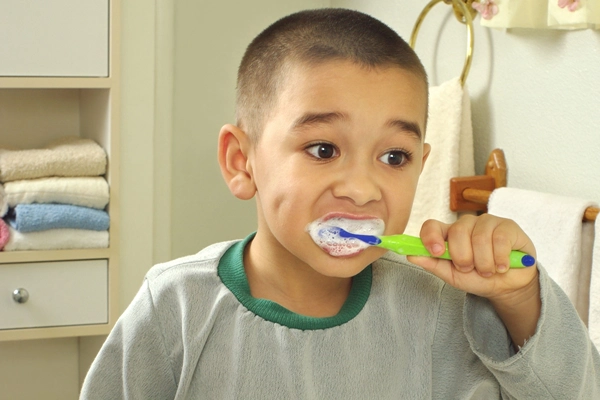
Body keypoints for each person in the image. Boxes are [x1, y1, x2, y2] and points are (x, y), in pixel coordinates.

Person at [81, 8, 600, 399]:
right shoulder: (174, 311)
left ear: (422, 163)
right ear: (242, 162)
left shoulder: (445, 307)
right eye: (323, 149)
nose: (362, 188)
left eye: (394, 157)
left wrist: (520, 300)